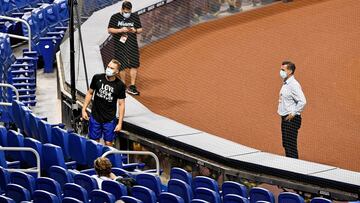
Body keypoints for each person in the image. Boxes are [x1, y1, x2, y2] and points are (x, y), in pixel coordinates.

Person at [82, 59, 126, 146]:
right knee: (94, 142)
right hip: (95, 117)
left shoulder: (120, 85)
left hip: (109, 120)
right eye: (108, 67)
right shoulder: (97, 78)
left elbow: (121, 104)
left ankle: (107, 160)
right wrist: (84, 109)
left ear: (117, 71)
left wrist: (120, 123)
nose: (108, 69)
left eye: (112, 68)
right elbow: (90, 93)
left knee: (108, 143)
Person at [108, 1, 143, 95]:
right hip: (120, 45)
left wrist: (134, 30)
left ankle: (132, 86)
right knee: (122, 65)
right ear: (122, 9)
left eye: (129, 11)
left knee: (134, 64)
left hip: (132, 45)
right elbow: (110, 29)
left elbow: (140, 29)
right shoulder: (115, 17)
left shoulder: (134, 16)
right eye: (126, 11)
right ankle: (123, 85)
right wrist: (120, 30)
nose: (127, 13)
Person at [277, 61, 306, 159]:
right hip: (285, 118)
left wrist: (293, 113)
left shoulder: (293, 85)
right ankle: (289, 165)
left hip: (291, 120)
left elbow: (302, 101)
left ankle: (294, 169)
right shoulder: (286, 83)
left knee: (291, 146)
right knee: (286, 144)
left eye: (283, 70)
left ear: (290, 71)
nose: (281, 72)